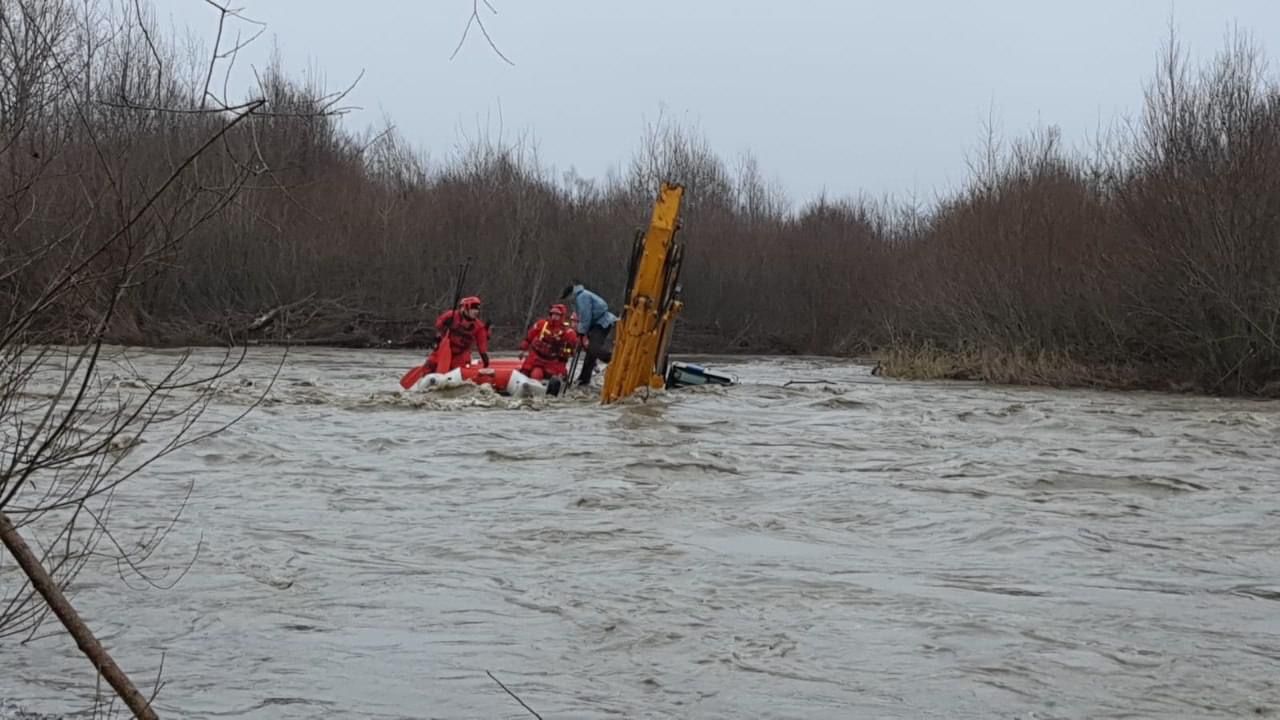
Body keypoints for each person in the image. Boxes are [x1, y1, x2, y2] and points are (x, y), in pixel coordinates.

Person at [560, 280, 617, 386]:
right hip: (597, 324)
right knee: (590, 352)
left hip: (602, 322)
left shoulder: (582, 297)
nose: (568, 300)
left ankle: (613, 359)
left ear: (570, 294)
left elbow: (586, 317)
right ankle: (584, 378)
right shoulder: (580, 296)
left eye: (567, 297)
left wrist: (581, 332)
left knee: (593, 348)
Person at [424, 295, 490, 372]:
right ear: (465, 308)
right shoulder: (451, 315)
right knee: (431, 363)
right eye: (473, 308)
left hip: (461, 354)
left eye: (477, 308)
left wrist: (484, 357)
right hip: (445, 350)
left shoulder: (479, 327)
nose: (476, 311)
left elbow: (482, 344)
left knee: (459, 368)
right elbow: (438, 325)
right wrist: (444, 323)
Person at [518, 303, 578, 381]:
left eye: (557, 315)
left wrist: (568, 353)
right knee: (533, 373)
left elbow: (573, 348)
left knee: (559, 378)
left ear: (562, 316)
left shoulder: (568, 332)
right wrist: (523, 349)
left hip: (554, 361)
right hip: (537, 357)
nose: (554, 317)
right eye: (553, 314)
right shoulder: (541, 324)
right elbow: (529, 337)